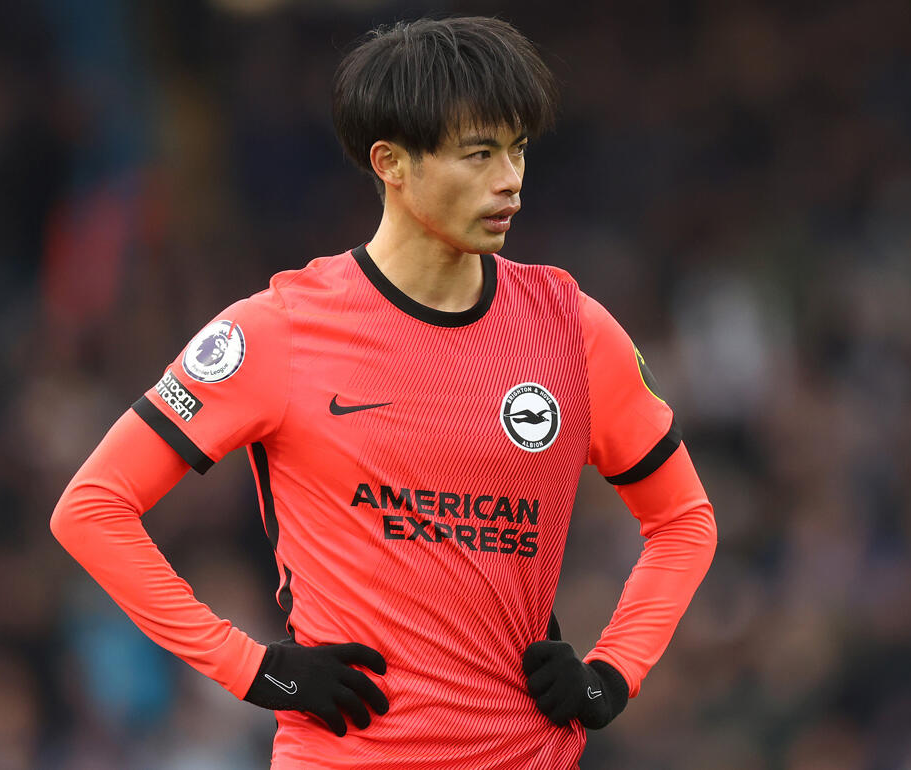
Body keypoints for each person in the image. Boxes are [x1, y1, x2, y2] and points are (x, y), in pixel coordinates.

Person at [51, 15, 717, 769]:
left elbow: (684, 521)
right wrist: (254, 669)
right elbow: (92, 509)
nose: (511, 180)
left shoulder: (573, 330)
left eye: (519, 149)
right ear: (392, 162)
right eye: (480, 154)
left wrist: (611, 675)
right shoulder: (279, 330)